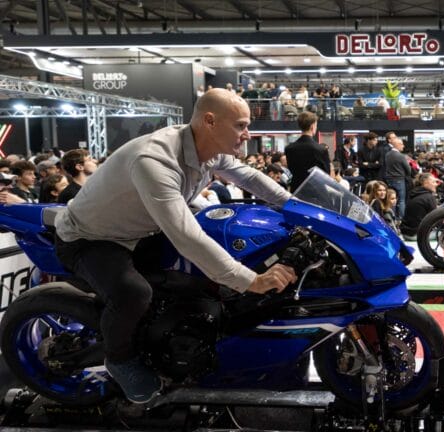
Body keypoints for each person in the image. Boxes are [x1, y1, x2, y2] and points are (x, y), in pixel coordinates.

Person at [53, 89, 298, 404]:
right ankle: (120, 359)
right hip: (91, 237)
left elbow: (249, 178)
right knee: (133, 293)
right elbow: (186, 236)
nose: (247, 134)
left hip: (141, 231)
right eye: (240, 125)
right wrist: (252, 281)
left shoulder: (210, 149)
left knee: (199, 278)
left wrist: (298, 207)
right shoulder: (155, 160)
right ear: (210, 121)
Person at [284, 111, 330, 192]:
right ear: (312, 126)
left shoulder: (289, 148)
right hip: (316, 191)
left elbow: (291, 169)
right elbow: (326, 174)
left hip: (297, 190)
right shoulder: (321, 149)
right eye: (316, 125)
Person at [400, 173, 438, 241]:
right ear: (425, 183)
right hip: (416, 235)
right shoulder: (429, 197)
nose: (436, 184)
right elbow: (437, 219)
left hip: (406, 234)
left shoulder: (414, 194)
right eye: (433, 182)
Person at [384, 138, 414, 218]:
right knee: (401, 200)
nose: (403, 146)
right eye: (402, 144)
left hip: (389, 179)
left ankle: (392, 217)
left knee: (391, 199)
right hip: (399, 180)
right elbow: (408, 170)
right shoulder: (401, 156)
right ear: (397, 145)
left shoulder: (387, 154)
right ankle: (401, 218)